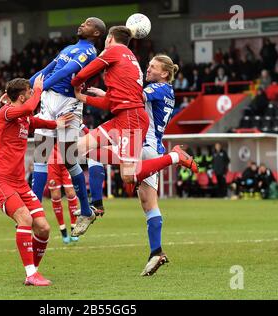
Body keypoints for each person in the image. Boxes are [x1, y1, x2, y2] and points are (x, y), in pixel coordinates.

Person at [71, 27, 198, 237]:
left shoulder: (158, 88)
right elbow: (127, 97)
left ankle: (175, 156)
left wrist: (108, 93)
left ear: (165, 73)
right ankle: (155, 252)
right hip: (138, 135)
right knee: (148, 204)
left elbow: (135, 96)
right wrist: (106, 95)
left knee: (130, 180)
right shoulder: (165, 91)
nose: (148, 69)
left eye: (153, 67)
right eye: (148, 65)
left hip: (145, 144)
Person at [0, 75, 73, 286]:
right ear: (23, 95)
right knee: (25, 218)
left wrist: (57, 124)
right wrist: (38, 90)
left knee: (43, 228)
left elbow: (37, 120)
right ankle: (31, 274)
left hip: (19, 182)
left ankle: (32, 271)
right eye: (29, 92)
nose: (32, 95)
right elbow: (28, 110)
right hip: (0, 179)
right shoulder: (6, 112)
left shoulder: (24, 118)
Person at [29, 17, 107, 226]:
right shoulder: (68, 48)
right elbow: (47, 70)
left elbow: (65, 72)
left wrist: (39, 88)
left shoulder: (89, 51)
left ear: (96, 33)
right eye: (82, 22)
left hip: (68, 104)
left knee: (69, 158)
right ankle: (35, 212)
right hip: (49, 100)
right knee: (41, 156)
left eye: (88, 24)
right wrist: (21, 89)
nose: (82, 24)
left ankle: (84, 209)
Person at [47, 144, 79, 244]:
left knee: (70, 193)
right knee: (55, 195)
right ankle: (63, 229)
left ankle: (74, 227)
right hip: (52, 161)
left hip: (67, 158)